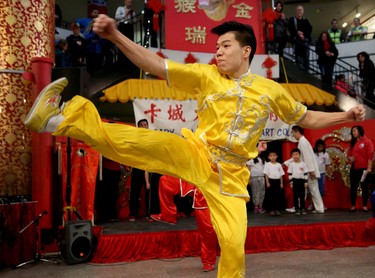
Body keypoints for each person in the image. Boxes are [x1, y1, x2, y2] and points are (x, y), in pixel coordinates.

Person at [23, 15, 366, 277]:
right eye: (216, 46)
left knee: (233, 246)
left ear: (246, 50)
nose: (218, 51)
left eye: (225, 45)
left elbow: (307, 119)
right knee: (140, 142)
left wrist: (346, 116)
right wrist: (114, 34)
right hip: (197, 153)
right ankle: (56, 120)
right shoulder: (206, 75)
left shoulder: (270, 90)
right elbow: (153, 63)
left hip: (231, 176)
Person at [150, 175, 218, 272]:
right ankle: (168, 215)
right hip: (193, 179)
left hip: (209, 189)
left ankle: (209, 261)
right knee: (165, 180)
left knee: (208, 231)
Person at [289, 125, 325, 214]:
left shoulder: (303, 142)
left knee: (309, 190)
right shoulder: (302, 141)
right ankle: (302, 207)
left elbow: (308, 157)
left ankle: (299, 207)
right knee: (309, 190)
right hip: (307, 170)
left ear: (297, 132)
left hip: (307, 171)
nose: (292, 135)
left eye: (293, 133)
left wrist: (311, 170)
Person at [347, 125, 374, 212]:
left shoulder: (367, 141)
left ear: (360, 131)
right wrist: (350, 158)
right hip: (354, 168)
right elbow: (348, 155)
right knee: (353, 187)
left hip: (364, 169)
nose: (353, 132)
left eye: (354, 130)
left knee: (365, 187)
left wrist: (369, 168)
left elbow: (370, 155)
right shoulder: (352, 143)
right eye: (352, 131)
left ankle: (365, 206)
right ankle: (353, 205)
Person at [128, 119, 150, 222]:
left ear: (148, 126)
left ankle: (149, 213)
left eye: (145, 125)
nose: (143, 127)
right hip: (137, 168)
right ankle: (133, 214)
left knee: (149, 192)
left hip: (148, 168)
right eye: (141, 125)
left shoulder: (151, 138)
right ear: (138, 127)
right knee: (135, 192)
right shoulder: (135, 139)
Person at [287, 5, 312, 70]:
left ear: (303, 12)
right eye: (298, 10)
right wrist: (298, 33)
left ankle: (306, 75)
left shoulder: (305, 20)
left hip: (304, 43)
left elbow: (309, 29)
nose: (299, 11)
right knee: (298, 60)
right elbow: (290, 28)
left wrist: (303, 35)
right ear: (296, 11)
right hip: (297, 43)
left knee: (306, 60)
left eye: (300, 10)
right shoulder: (292, 19)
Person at [287, 148, 308, 215]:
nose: (295, 156)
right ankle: (297, 209)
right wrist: (291, 183)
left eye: (296, 154)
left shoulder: (303, 164)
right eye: (293, 155)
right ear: (292, 156)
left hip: (302, 181)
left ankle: (302, 208)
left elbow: (305, 174)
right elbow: (290, 174)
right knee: (295, 196)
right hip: (295, 181)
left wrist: (306, 182)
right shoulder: (291, 164)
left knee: (302, 196)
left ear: (299, 155)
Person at [263, 151, 284, 216]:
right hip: (270, 181)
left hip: (277, 181)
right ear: (268, 157)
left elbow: (281, 175)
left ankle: (277, 209)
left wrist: (281, 183)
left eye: (274, 155)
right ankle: (271, 210)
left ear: (276, 156)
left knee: (277, 196)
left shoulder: (279, 165)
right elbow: (266, 174)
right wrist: (267, 182)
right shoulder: (267, 164)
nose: (273, 157)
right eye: (271, 156)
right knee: (271, 196)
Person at [314, 139, 331, 206]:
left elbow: (328, 165)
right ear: (316, 146)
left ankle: (321, 204)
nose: (320, 148)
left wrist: (329, 174)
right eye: (319, 146)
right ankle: (313, 204)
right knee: (314, 190)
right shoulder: (313, 154)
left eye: (321, 147)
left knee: (321, 189)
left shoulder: (326, 154)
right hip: (314, 174)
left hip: (322, 173)